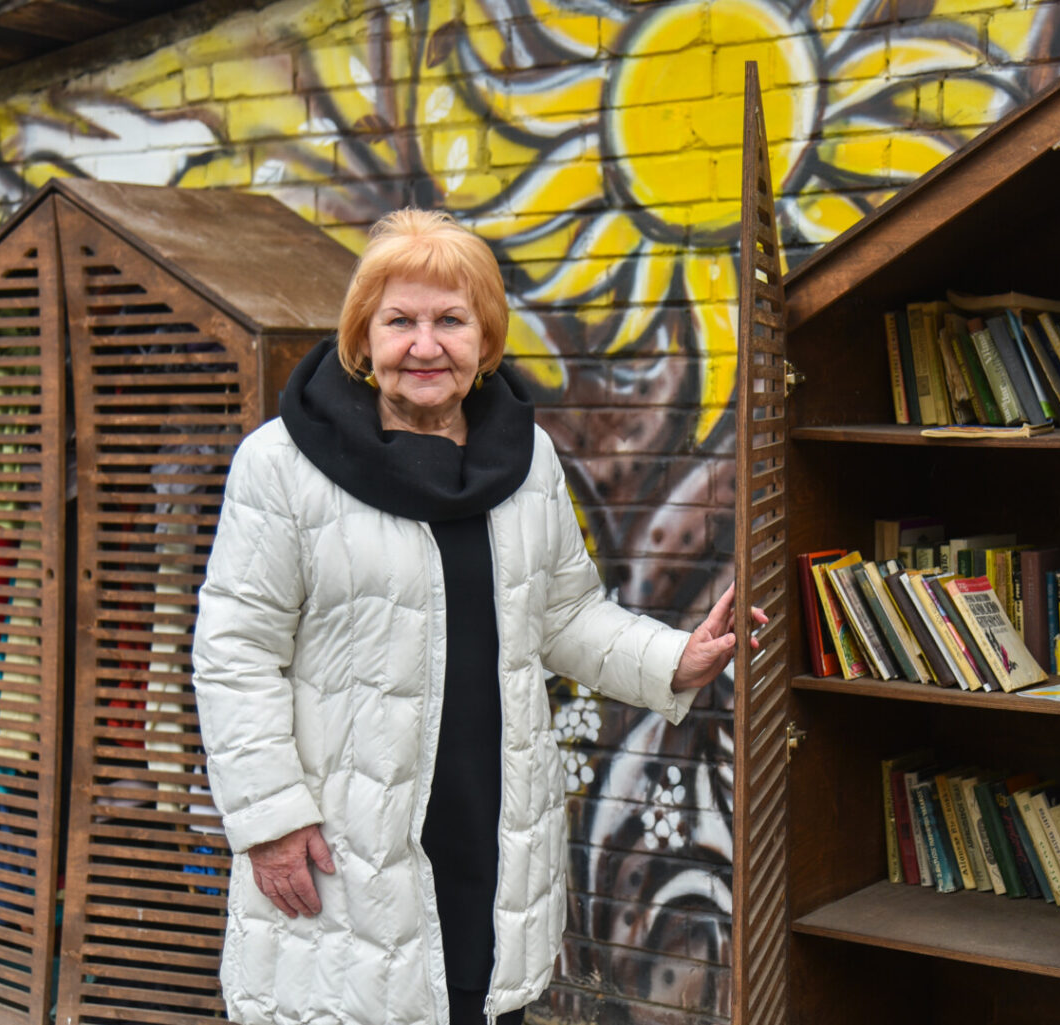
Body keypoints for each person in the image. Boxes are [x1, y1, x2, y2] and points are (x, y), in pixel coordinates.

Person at [192, 208, 764, 1025]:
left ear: (486, 337)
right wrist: (272, 819)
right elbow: (236, 652)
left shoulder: (524, 460)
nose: (425, 345)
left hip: (492, 839)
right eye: (400, 321)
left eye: (451, 321)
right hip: (348, 852)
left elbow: (564, 613)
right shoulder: (282, 466)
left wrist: (676, 659)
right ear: (363, 336)